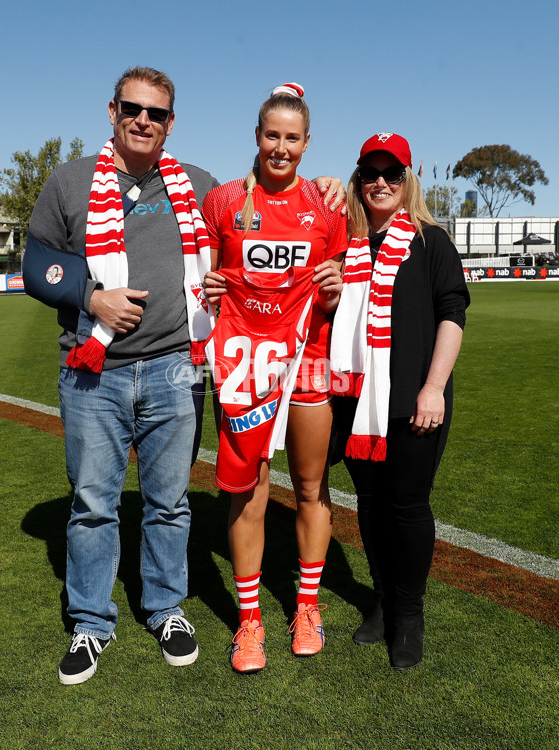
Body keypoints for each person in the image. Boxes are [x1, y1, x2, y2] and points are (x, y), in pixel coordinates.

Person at [25, 66, 219, 685]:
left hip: (176, 370)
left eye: (156, 113)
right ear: (112, 112)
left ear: (170, 123)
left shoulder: (200, 185)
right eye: (132, 109)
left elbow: (261, 210)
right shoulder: (70, 181)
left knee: (169, 504)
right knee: (91, 504)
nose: (143, 120)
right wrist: (90, 295)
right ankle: (90, 621)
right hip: (94, 374)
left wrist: (324, 186)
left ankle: (165, 608)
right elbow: (35, 263)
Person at [202, 83, 347, 674]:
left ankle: (306, 608)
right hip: (245, 364)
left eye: (292, 138)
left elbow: (337, 294)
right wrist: (212, 290)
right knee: (248, 491)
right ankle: (251, 623)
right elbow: (207, 282)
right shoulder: (224, 203)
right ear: (257, 137)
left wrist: (334, 293)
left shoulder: (329, 206)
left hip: (307, 360)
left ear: (307, 143)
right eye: (272, 135)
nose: (281, 147)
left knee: (310, 488)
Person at [329, 132, 469, 671]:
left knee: (408, 507)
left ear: (408, 178)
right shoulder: (346, 243)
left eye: (392, 173)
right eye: (371, 173)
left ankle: (409, 615)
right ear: (359, 179)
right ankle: (382, 602)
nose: (381, 183)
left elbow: (452, 315)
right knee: (369, 505)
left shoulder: (431, 241)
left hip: (414, 399)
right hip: (358, 401)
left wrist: (433, 387)